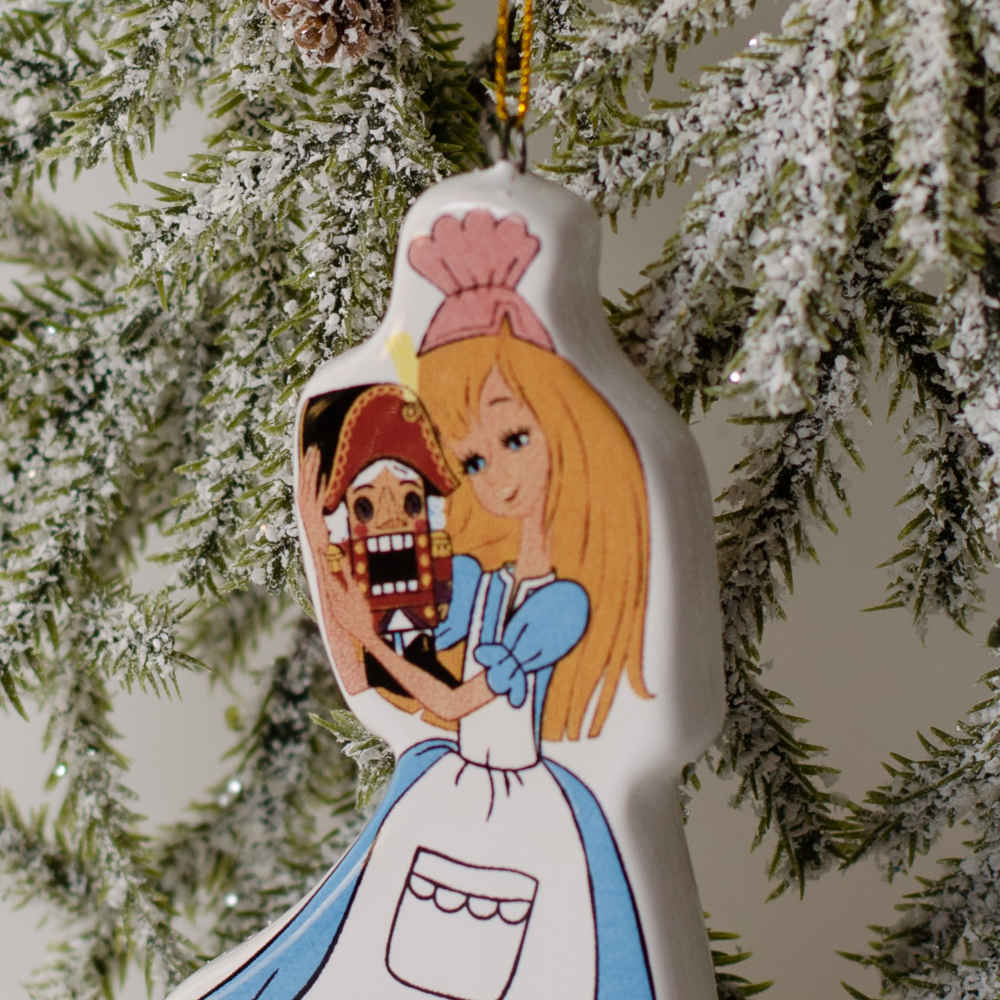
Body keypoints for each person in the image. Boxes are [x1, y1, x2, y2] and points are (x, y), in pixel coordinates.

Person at [188, 211, 656, 1000]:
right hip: (449, 788)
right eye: (470, 460)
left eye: (516, 439)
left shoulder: (558, 608)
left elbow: (451, 700)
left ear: (567, 426)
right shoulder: (470, 582)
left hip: (522, 814)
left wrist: (366, 633)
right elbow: (371, 684)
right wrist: (319, 536)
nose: (496, 477)